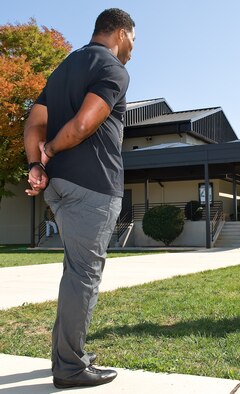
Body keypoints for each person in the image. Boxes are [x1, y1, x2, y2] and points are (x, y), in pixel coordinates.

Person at [23, 8, 135, 389]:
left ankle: (67, 355)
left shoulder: (64, 67)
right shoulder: (113, 68)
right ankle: (70, 368)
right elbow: (86, 123)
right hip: (93, 188)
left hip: (57, 186)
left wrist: (36, 164)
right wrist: (51, 149)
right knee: (84, 277)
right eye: (133, 39)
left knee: (74, 273)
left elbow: (34, 117)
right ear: (120, 32)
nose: (133, 49)